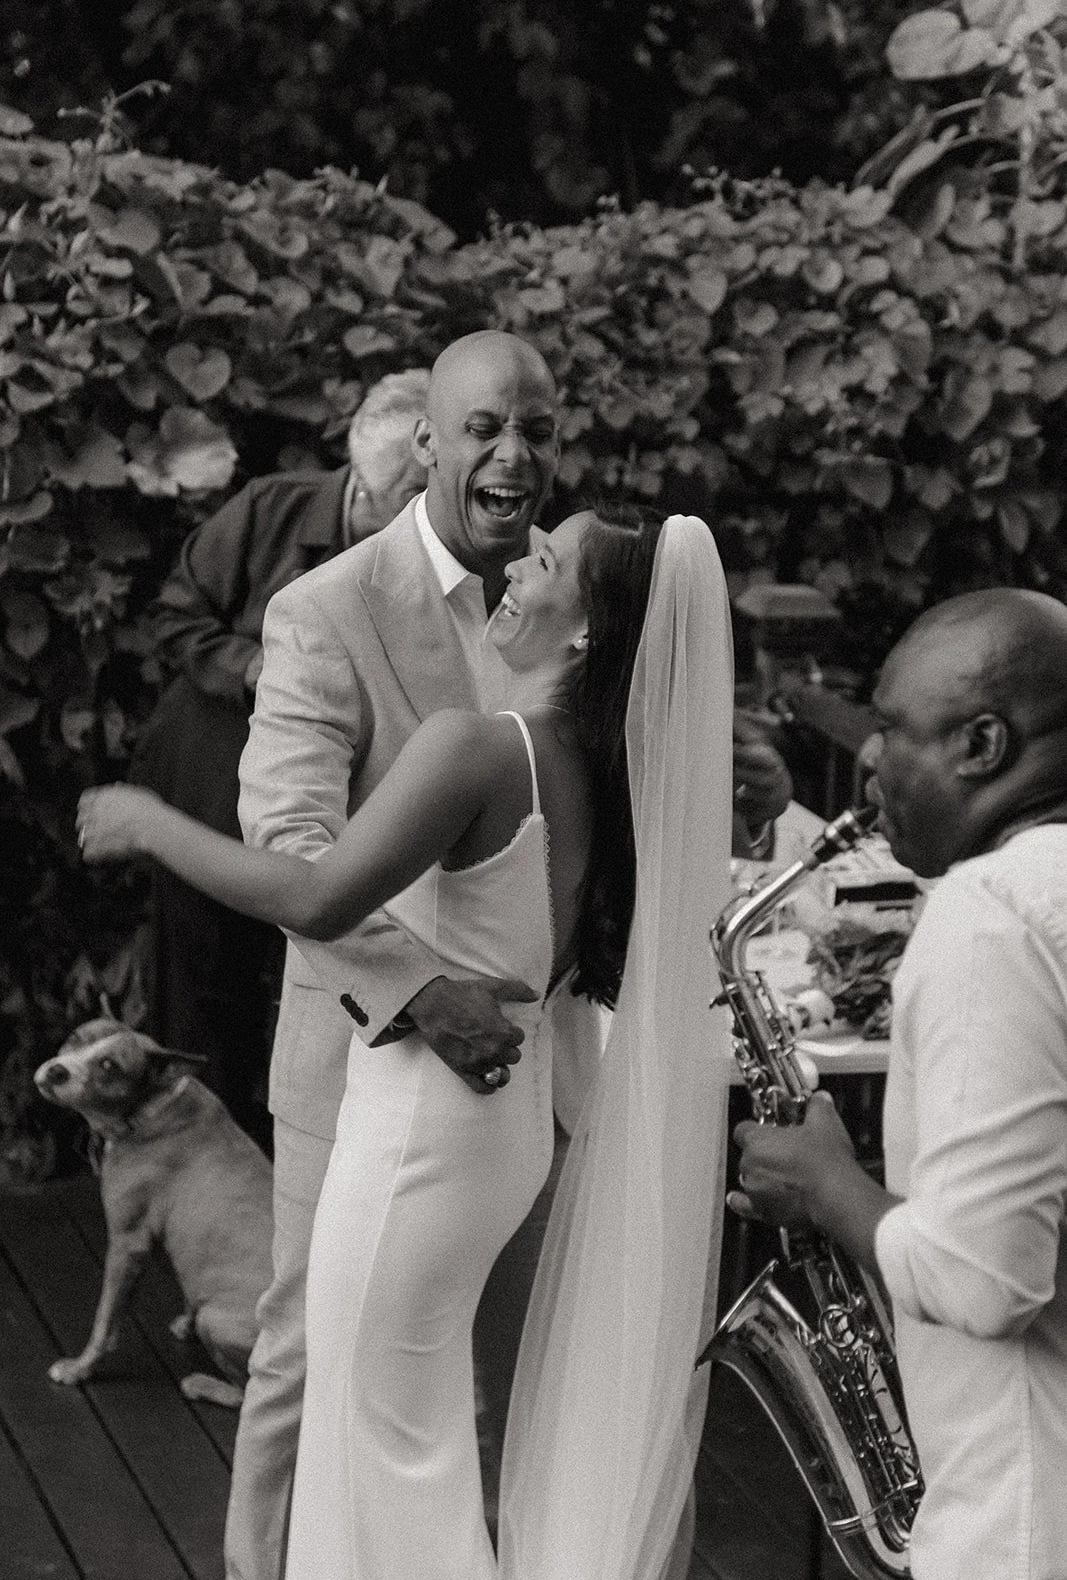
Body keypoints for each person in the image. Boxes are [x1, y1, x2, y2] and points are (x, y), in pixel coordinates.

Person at [77, 500, 737, 1580]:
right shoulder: (593, 766)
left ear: (583, 633)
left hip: (422, 1136)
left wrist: (153, 824)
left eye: (547, 561)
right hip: (500, 1131)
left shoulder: (477, 746)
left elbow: (320, 895)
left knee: (377, 1436)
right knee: (405, 1431)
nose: (515, 564)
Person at [729, 588, 1067, 1580]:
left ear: (981, 743)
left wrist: (829, 1189)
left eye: (889, 725)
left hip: (1019, 1517)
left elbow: (983, 1275)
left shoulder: (991, 915)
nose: (868, 757)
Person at [128, 369, 430, 1146]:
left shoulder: (430, 545)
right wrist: (260, 669)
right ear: (363, 474)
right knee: (201, 971)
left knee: (316, 958)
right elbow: (172, 620)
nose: (421, 504)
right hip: (210, 759)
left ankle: (294, 1147)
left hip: (336, 792)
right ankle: (197, 1152)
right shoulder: (269, 507)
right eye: (407, 485)